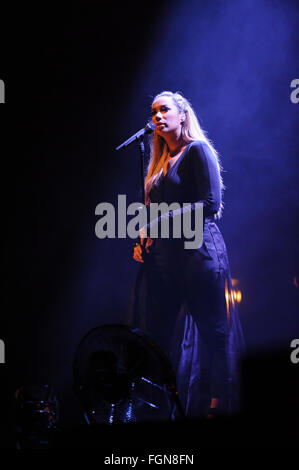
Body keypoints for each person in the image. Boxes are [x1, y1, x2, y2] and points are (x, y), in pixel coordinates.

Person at [127, 91, 245, 418]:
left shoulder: (198, 151)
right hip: (166, 258)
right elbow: (152, 214)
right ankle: (163, 407)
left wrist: (162, 221)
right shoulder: (159, 163)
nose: (157, 117)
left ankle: (218, 404)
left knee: (213, 331)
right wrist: (143, 237)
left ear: (182, 114)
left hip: (199, 252)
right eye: (153, 112)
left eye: (164, 109)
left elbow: (210, 204)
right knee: (157, 332)